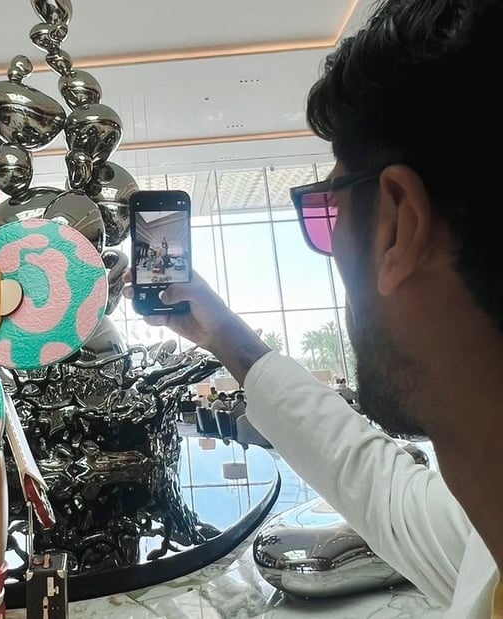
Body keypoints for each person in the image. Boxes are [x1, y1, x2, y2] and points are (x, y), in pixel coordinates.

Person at [124, 1, 502, 616]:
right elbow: (383, 490)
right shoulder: (486, 539)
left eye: (327, 212)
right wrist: (229, 340)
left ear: (398, 225)